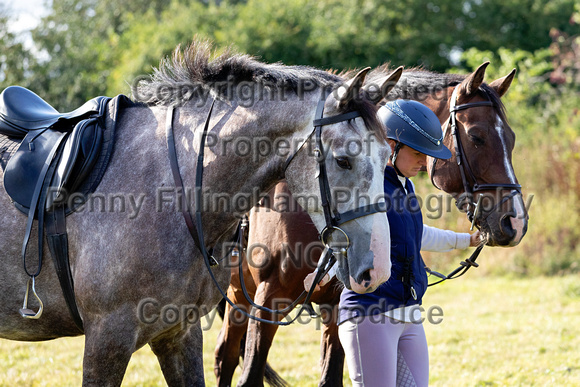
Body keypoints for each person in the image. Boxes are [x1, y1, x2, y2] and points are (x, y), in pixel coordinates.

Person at [304, 99, 481, 387]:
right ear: (390, 144)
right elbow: (348, 237)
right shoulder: (368, 187)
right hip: (369, 312)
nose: (424, 163)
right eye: (417, 153)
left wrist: (466, 240)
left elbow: (415, 234)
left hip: (409, 312)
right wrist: (323, 273)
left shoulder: (406, 186)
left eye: (426, 154)